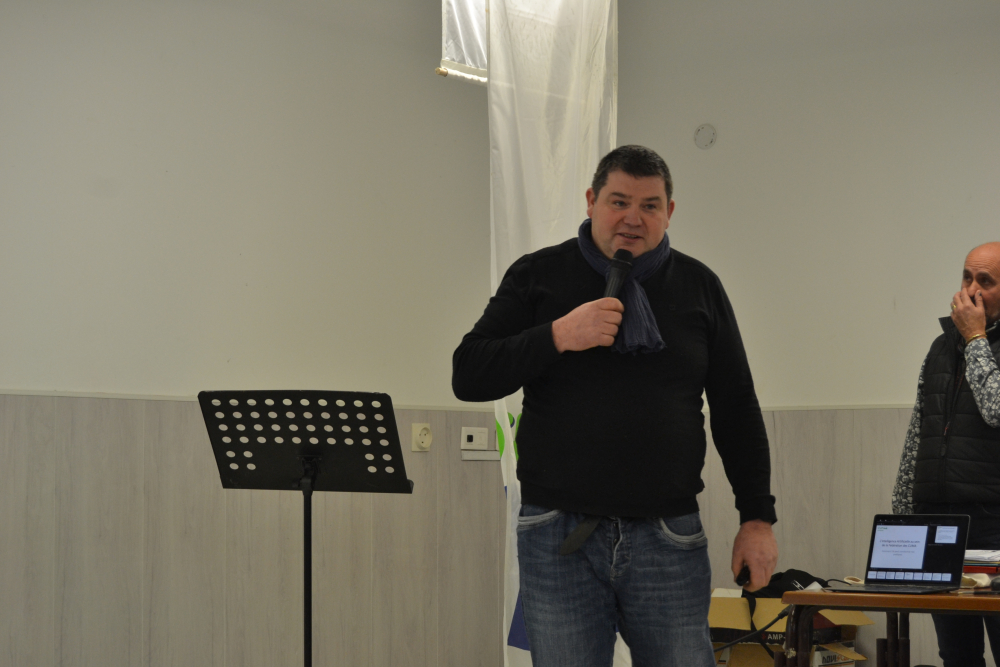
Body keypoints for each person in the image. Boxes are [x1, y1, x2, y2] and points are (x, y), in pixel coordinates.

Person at [452, 145, 778, 667]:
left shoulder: (699, 286)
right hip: (557, 533)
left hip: (668, 535)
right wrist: (558, 335)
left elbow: (736, 407)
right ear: (591, 201)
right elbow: (468, 374)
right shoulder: (537, 275)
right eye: (619, 201)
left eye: (650, 205)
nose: (633, 218)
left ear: (669, 212)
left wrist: (757, 519)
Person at [893, 242, 1000, 667]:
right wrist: (903, 517)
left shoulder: (971, 341)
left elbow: (996, 409)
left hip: (994, 526)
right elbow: (918, 431)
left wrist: (975, 338)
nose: (971, 290)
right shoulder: (940, 348)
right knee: (956, 655)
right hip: (939, 523)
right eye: (967, 278)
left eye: (985, 281)